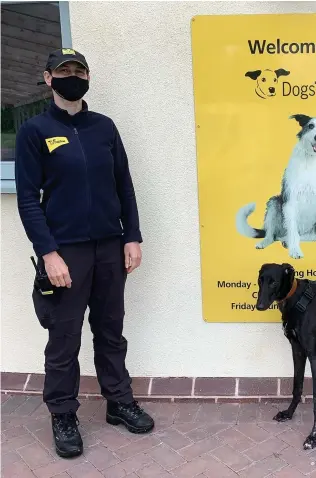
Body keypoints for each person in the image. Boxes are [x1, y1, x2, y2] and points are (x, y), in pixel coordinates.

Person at [15, 48, 154, 459]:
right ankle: (62, 413)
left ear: (88, 78)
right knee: (64, 336)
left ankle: (118, 401)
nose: (72, 76)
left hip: (111, 246)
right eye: (64, 71)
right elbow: (27, 199)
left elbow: (124, 186)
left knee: (111, 328)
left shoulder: (104, 128)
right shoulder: (35, 131)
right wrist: (48, 254)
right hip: (66, 252)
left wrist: (132, 236)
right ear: (48, 78)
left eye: (79, 70)